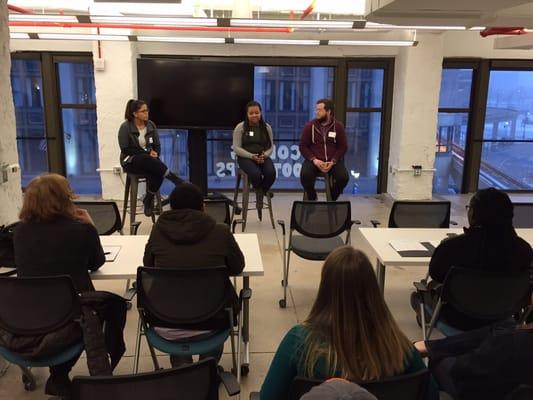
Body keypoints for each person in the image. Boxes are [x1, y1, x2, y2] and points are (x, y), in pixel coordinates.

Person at [260, 246, 434, 400]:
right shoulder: (398, 347)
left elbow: (267, 397)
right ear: (372, 291)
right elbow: (431, 394)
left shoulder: (299, 342)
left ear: (325, 290)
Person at [13, 174, 106, 397]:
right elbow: (96, 263)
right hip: (70, 317)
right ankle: (60, 375)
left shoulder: (19, 232)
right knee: (106, 309)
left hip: (26, 316)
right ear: (65, 198)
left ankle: (59, 376)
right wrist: (91, 227)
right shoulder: (81, 231)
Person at [143, 183, 245, 367]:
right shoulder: (220, 232)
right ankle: (206, 368)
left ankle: (184, 373)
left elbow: (148, 265)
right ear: (202, 207)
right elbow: (237, 266)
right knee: (216, 321)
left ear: (172, 208)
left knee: (180, 348)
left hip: (164, 321)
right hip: (212, 320)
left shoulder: (158, 230)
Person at [412, 187, 533, 330]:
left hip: (458, 319)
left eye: (469, 208)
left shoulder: (452, 247)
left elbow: (436, 274)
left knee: (417, 297)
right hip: (503, 318)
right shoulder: (524, 251)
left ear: (474, 214)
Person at [414, 322, 533, 400]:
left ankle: (430, 348)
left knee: (438, 361)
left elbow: (463, 371)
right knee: (501, 328)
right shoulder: (510, 336)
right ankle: (431, 346)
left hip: (486, 390)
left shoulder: (510, 341)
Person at [118, 99, 184, 217]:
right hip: (130, 160)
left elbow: (157, 145)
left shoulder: (150, 125)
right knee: (147, 159)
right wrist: (148, 154)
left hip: (148, 161)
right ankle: (174, 179)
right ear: (135, 114)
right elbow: (125, 149)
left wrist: (156, 153)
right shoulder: (125, 127)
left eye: (147, 110)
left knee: (157, 170)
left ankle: (148, 199)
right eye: (143, 111)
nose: (147, 113)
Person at [299, 99, 349, 201]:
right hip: (314, 161)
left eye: (320, 110)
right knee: (305, 175)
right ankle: (312, 196)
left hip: (332, 161)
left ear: (328, 111)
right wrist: (314, 160)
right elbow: (303, 146)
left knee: (343, 177)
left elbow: (343, 146)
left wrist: (333, 161)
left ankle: (331, 198)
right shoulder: (310, 126)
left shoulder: (338, 127)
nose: (317, 112)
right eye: (316, 110)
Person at [232, 100, 276, 211]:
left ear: (261, 113)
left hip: (262, 156)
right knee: (255, 174)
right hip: (245, 157)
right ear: (247, 114)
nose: (254, 115)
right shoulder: (240, 127)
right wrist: (252, 156)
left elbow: (271, 146)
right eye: (251, 113)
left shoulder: (267, 128)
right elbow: (236, 148)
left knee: (271, 173)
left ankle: (260, 192)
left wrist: (265, 155)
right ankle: (261, 193)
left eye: (257, 112)